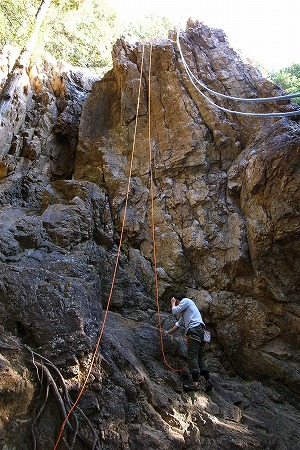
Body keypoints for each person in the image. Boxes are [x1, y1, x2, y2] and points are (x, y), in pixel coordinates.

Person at [166, 294, 213, 392]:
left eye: (177, 302)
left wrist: (173, 303)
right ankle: (208, 380)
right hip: (200, 332)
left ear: (179, 300)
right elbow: (178, 325)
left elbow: (175, 311)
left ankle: (195, 384)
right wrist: (167, 333)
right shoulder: (187, 312)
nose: (178, 305)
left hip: (194, 331)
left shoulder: (186, 301)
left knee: (192, 356)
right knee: (198, 357)